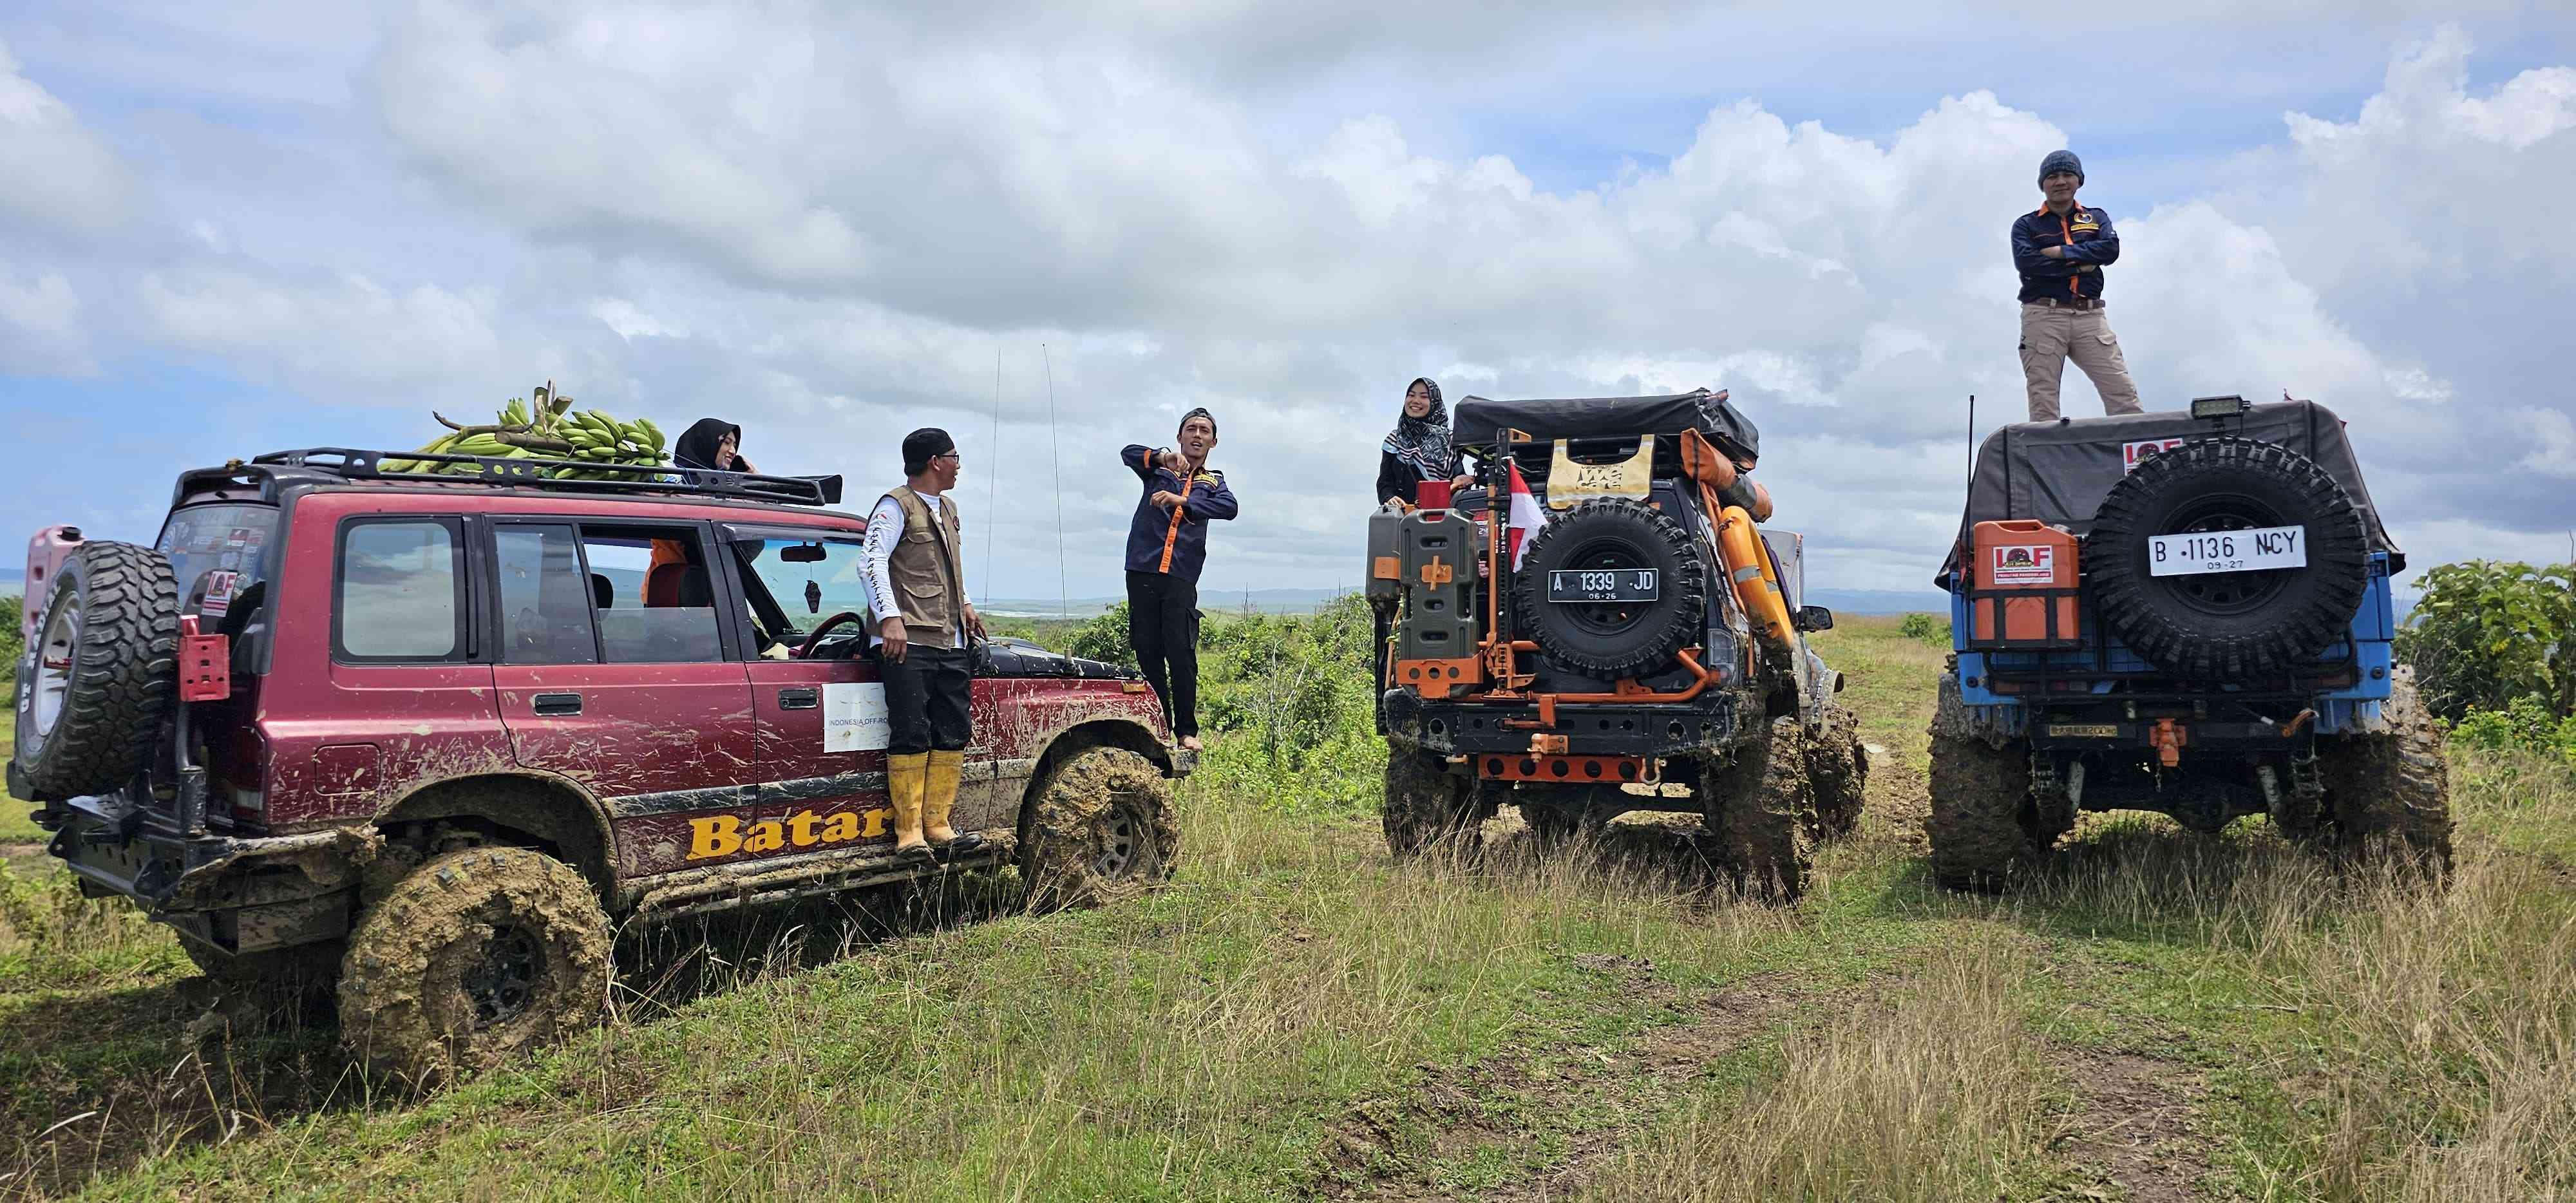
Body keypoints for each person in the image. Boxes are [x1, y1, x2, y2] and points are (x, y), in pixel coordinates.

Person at [861, 428, 987, 866]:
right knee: (911, 729)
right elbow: (871, 561)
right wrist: (890, 617)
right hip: (908, 638)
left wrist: (966, 605)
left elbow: (950, 567)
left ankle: (939, 824)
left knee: (952, 730)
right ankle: (909, 832)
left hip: (949, 638)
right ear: (936, 461)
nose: (958, 464)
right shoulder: (895, 506)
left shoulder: (949, 508)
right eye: (954, 456)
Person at [1121, 408, 1238, 751]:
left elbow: (1229, 508)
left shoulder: (1214, 480)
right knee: (1147, 650)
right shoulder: (1158, 469)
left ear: (1213, 442)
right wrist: (1161, 457)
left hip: (1181, 575)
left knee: (1181, 652)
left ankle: (1186, 731)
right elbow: (1127, 453)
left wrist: (1182, 500)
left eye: (1204, 431)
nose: (1197, 435)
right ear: (1180, 436)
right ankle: (1158, 725)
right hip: (1143, 569)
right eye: (1191, 429)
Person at [2012, 149, 2143, 422]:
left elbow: (2110, 249)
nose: (2060, 181)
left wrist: (2058, 252)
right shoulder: (2026, 225)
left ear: (2079, 180)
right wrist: (2085, 261)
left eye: (2067, 174)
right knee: (2043, 401)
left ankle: (2139, 462)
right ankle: (2045, 464)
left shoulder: (2096, 217)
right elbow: (2030, 265)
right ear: (2042, 183)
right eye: (2052, 176)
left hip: (2090, 316)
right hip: (2043, 316)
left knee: (2122, 393)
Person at [1376, 377, 1473, 508]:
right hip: (1402, 519)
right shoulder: (1394, 440)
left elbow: (1459, 486)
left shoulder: (1450, 440)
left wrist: (1459, 484)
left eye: (1424, 397)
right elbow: (1384, 482)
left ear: (1434, 403)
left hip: (1443, 519)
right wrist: (1389, 497)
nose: (1416, 401)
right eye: (1411, 395)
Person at [673, 418, 758, 473]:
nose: (733, 452)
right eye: (727, 442)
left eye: (735, 446)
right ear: (705, 443)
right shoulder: (671, 482)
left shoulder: (731, 489)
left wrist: (753, 477)